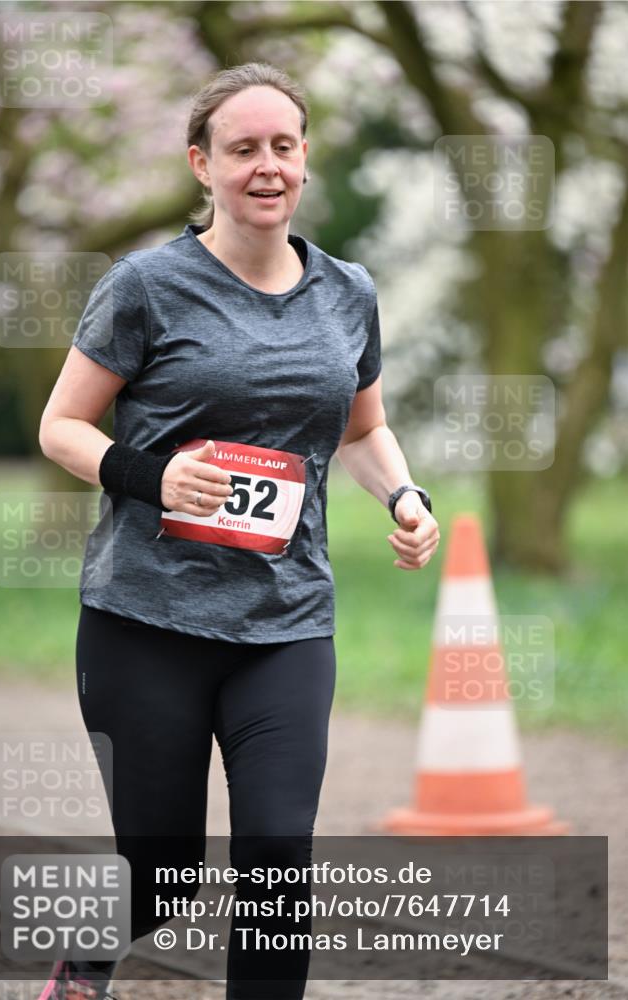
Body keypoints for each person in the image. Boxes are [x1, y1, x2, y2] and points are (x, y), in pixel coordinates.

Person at [37, 62, 439, 1000]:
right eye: (243, 148)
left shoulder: (348, 293)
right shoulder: (146, 286)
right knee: (158, 872)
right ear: (201, 165)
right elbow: (62, 426)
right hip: (147, 619)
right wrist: (153, 474)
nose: (268, 166)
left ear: (305, 161)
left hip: (285, 620)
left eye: (284, 147)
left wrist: (404, 497)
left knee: (274, 858)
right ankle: (86, 956)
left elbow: (364, 427)